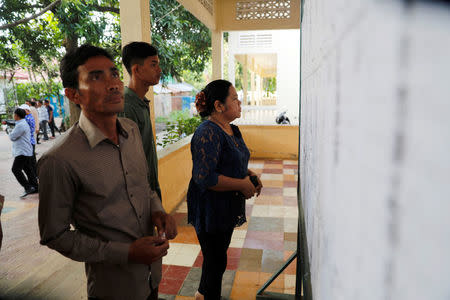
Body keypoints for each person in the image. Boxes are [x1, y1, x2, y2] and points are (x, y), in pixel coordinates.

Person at [38, 44, 177, 300]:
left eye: (114, 73)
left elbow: (143, 186)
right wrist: (126, 253)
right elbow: (54, 235)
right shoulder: (59, 160)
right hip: (114, 288)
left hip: (151, 276)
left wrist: (157, 209)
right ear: (73, 94)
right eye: (95, 77)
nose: (113, 84)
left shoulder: (131, 130)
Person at [187, 80, 263, 300]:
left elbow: (233, 159)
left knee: (217, 258)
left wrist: (249, 175)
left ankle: (202, 293)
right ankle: (208, 295)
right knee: (215, 260)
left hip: (226, 205)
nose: (240, 103)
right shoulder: (207, 133)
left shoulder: (231, 129)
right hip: (211, 208)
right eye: (235, 99)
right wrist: (241, 184)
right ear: (219, 106)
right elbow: (205, 177)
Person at [120, 42, 175, 299]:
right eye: (153, 64)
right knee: (140, 265)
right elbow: (129, 162)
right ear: (136, 69)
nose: (159, 69)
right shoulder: (127, 105)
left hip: (149, 196)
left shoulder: (140, 102)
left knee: (151, 261)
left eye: (158, 63)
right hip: (137, 198)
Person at [9, 108, 38, 197]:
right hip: (25, 150)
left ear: (17, 116)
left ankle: (27, 187)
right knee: (28, 169)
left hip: (22, 151)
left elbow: (12, 137)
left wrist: (9, 131)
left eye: (14, 114)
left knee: (15, 169)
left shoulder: (20, 125)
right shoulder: (22, 123)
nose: (13, 116)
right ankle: (35, 187)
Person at [19, 104, 38, 169]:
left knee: (30, 160)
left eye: (22, 110)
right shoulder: (30, 117)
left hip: (29, 141)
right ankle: (36, 174)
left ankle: (35, 174)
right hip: (31, 141)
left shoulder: (27, 118)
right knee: (32, 159)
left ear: (27, 110)